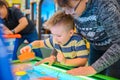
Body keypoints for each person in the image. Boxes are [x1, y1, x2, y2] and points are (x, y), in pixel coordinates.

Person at [54, 0, 120, 78]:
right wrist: (54, 55)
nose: (67, 13)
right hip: (95, 46)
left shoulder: (105, 6)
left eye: (71, 8)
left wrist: (93, 68)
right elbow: (62, 34)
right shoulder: (70, 10)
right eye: (65, 9)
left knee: (111, 76)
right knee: (92, 77)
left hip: (114, 47)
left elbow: (118, 43)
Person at [20, 11, 89, 67]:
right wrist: (30, 46)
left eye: (59, 35)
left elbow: (83, 60)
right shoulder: (54, 40)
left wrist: (66, 61)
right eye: (53, 34)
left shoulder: (77, 41)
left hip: (78, 72)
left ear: (70, 33)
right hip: (64, 68)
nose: (55, 38)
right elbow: (40, 43)